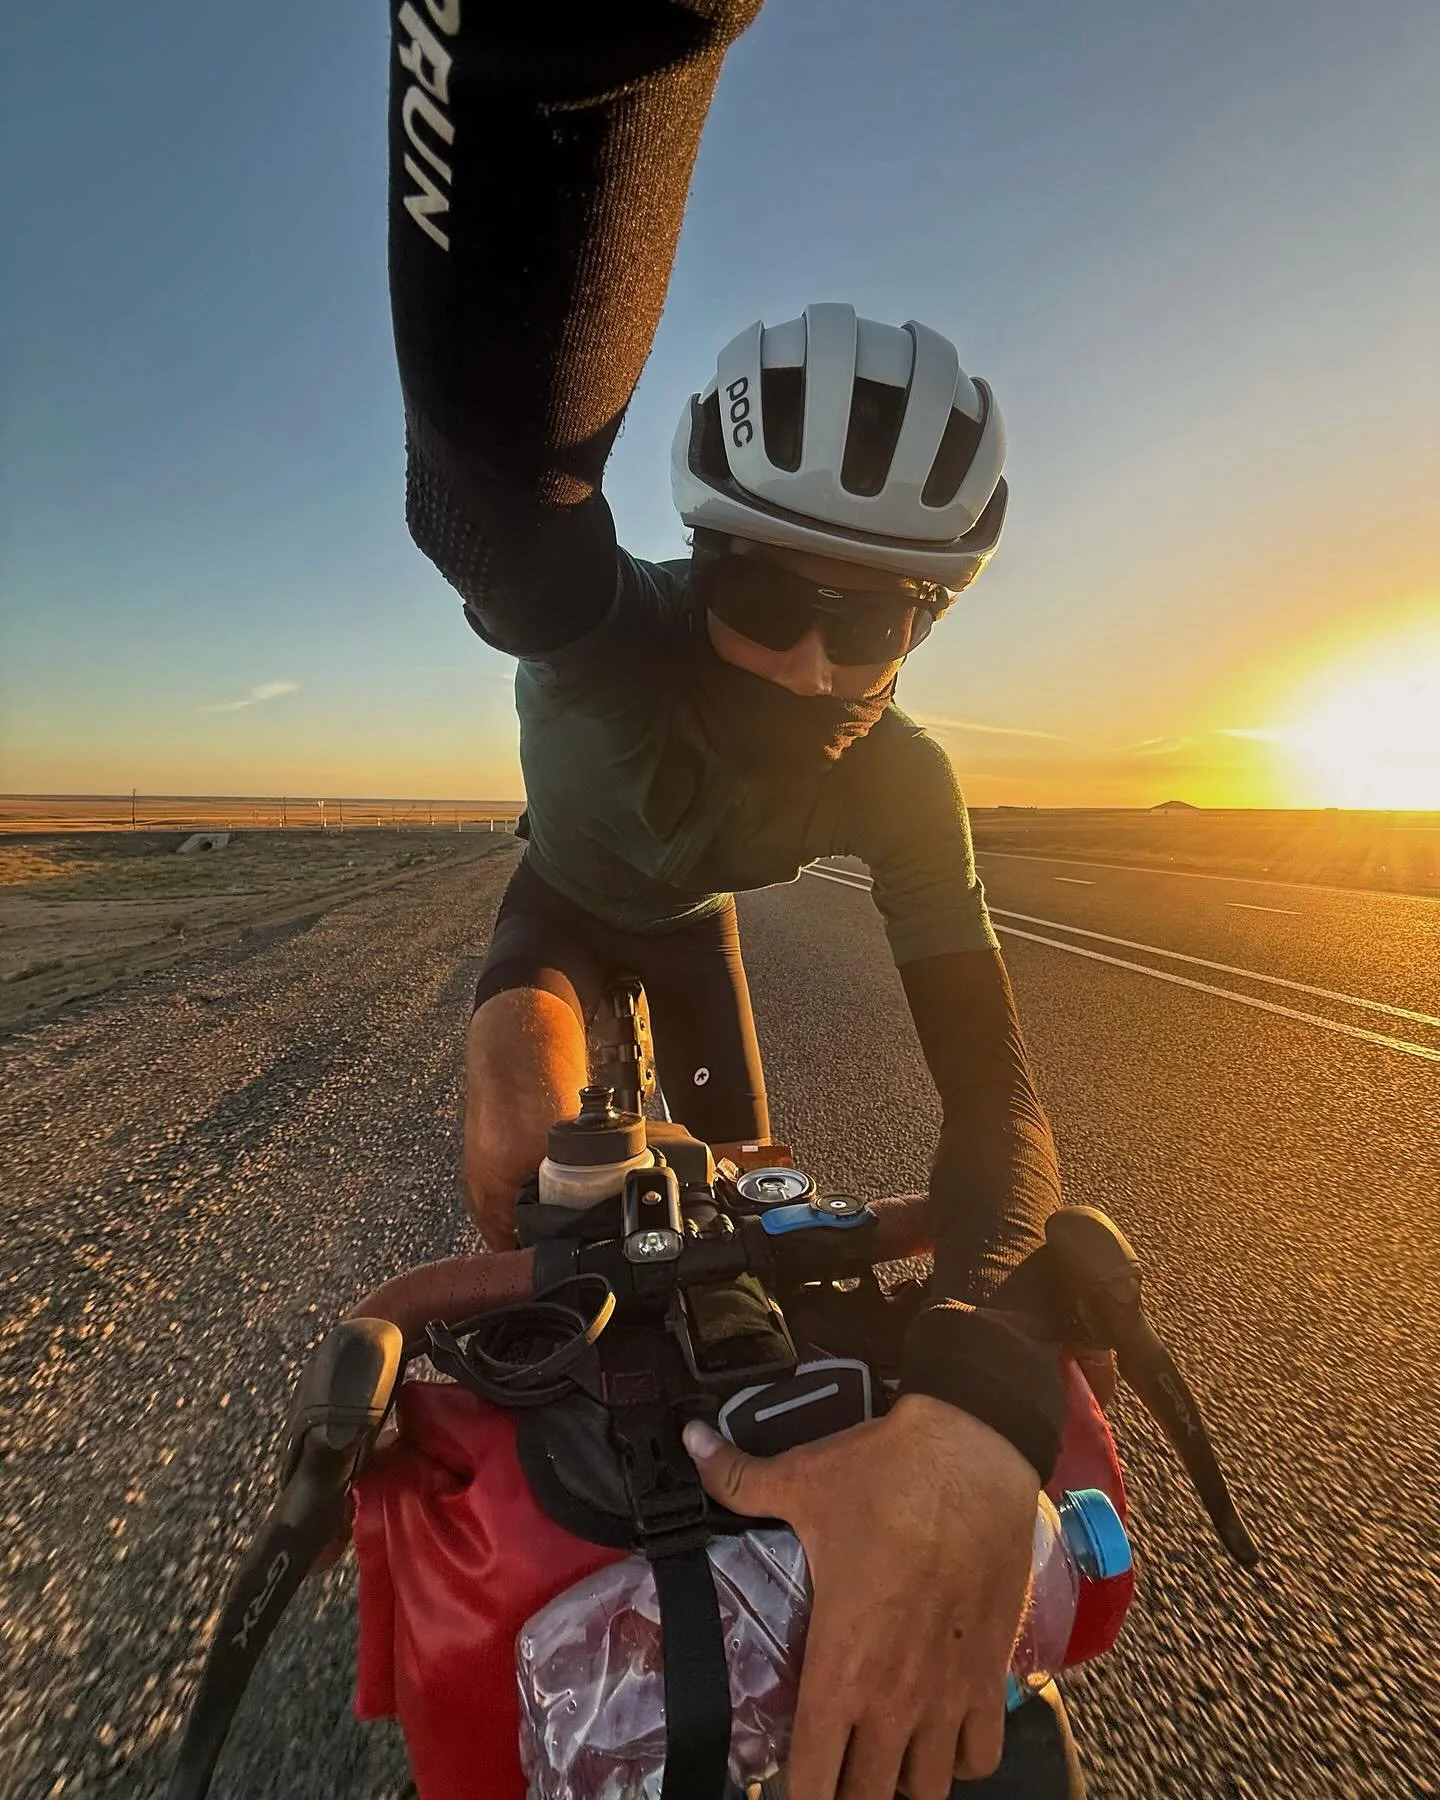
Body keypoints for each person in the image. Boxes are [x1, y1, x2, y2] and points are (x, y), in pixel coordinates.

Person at [387, 4, 1088, 1795]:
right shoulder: (606, 632)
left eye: (872, 622)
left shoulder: (899, 776)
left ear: (927, 625)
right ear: (697, 554)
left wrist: (978, 1385)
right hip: (566, 908)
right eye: (768, 591)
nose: (805, 659)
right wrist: (600, 48)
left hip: (687, 933)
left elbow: (995, 1106)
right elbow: (491, 501)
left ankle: (730, 1554)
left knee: (745, 1233)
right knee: (528, 1156)